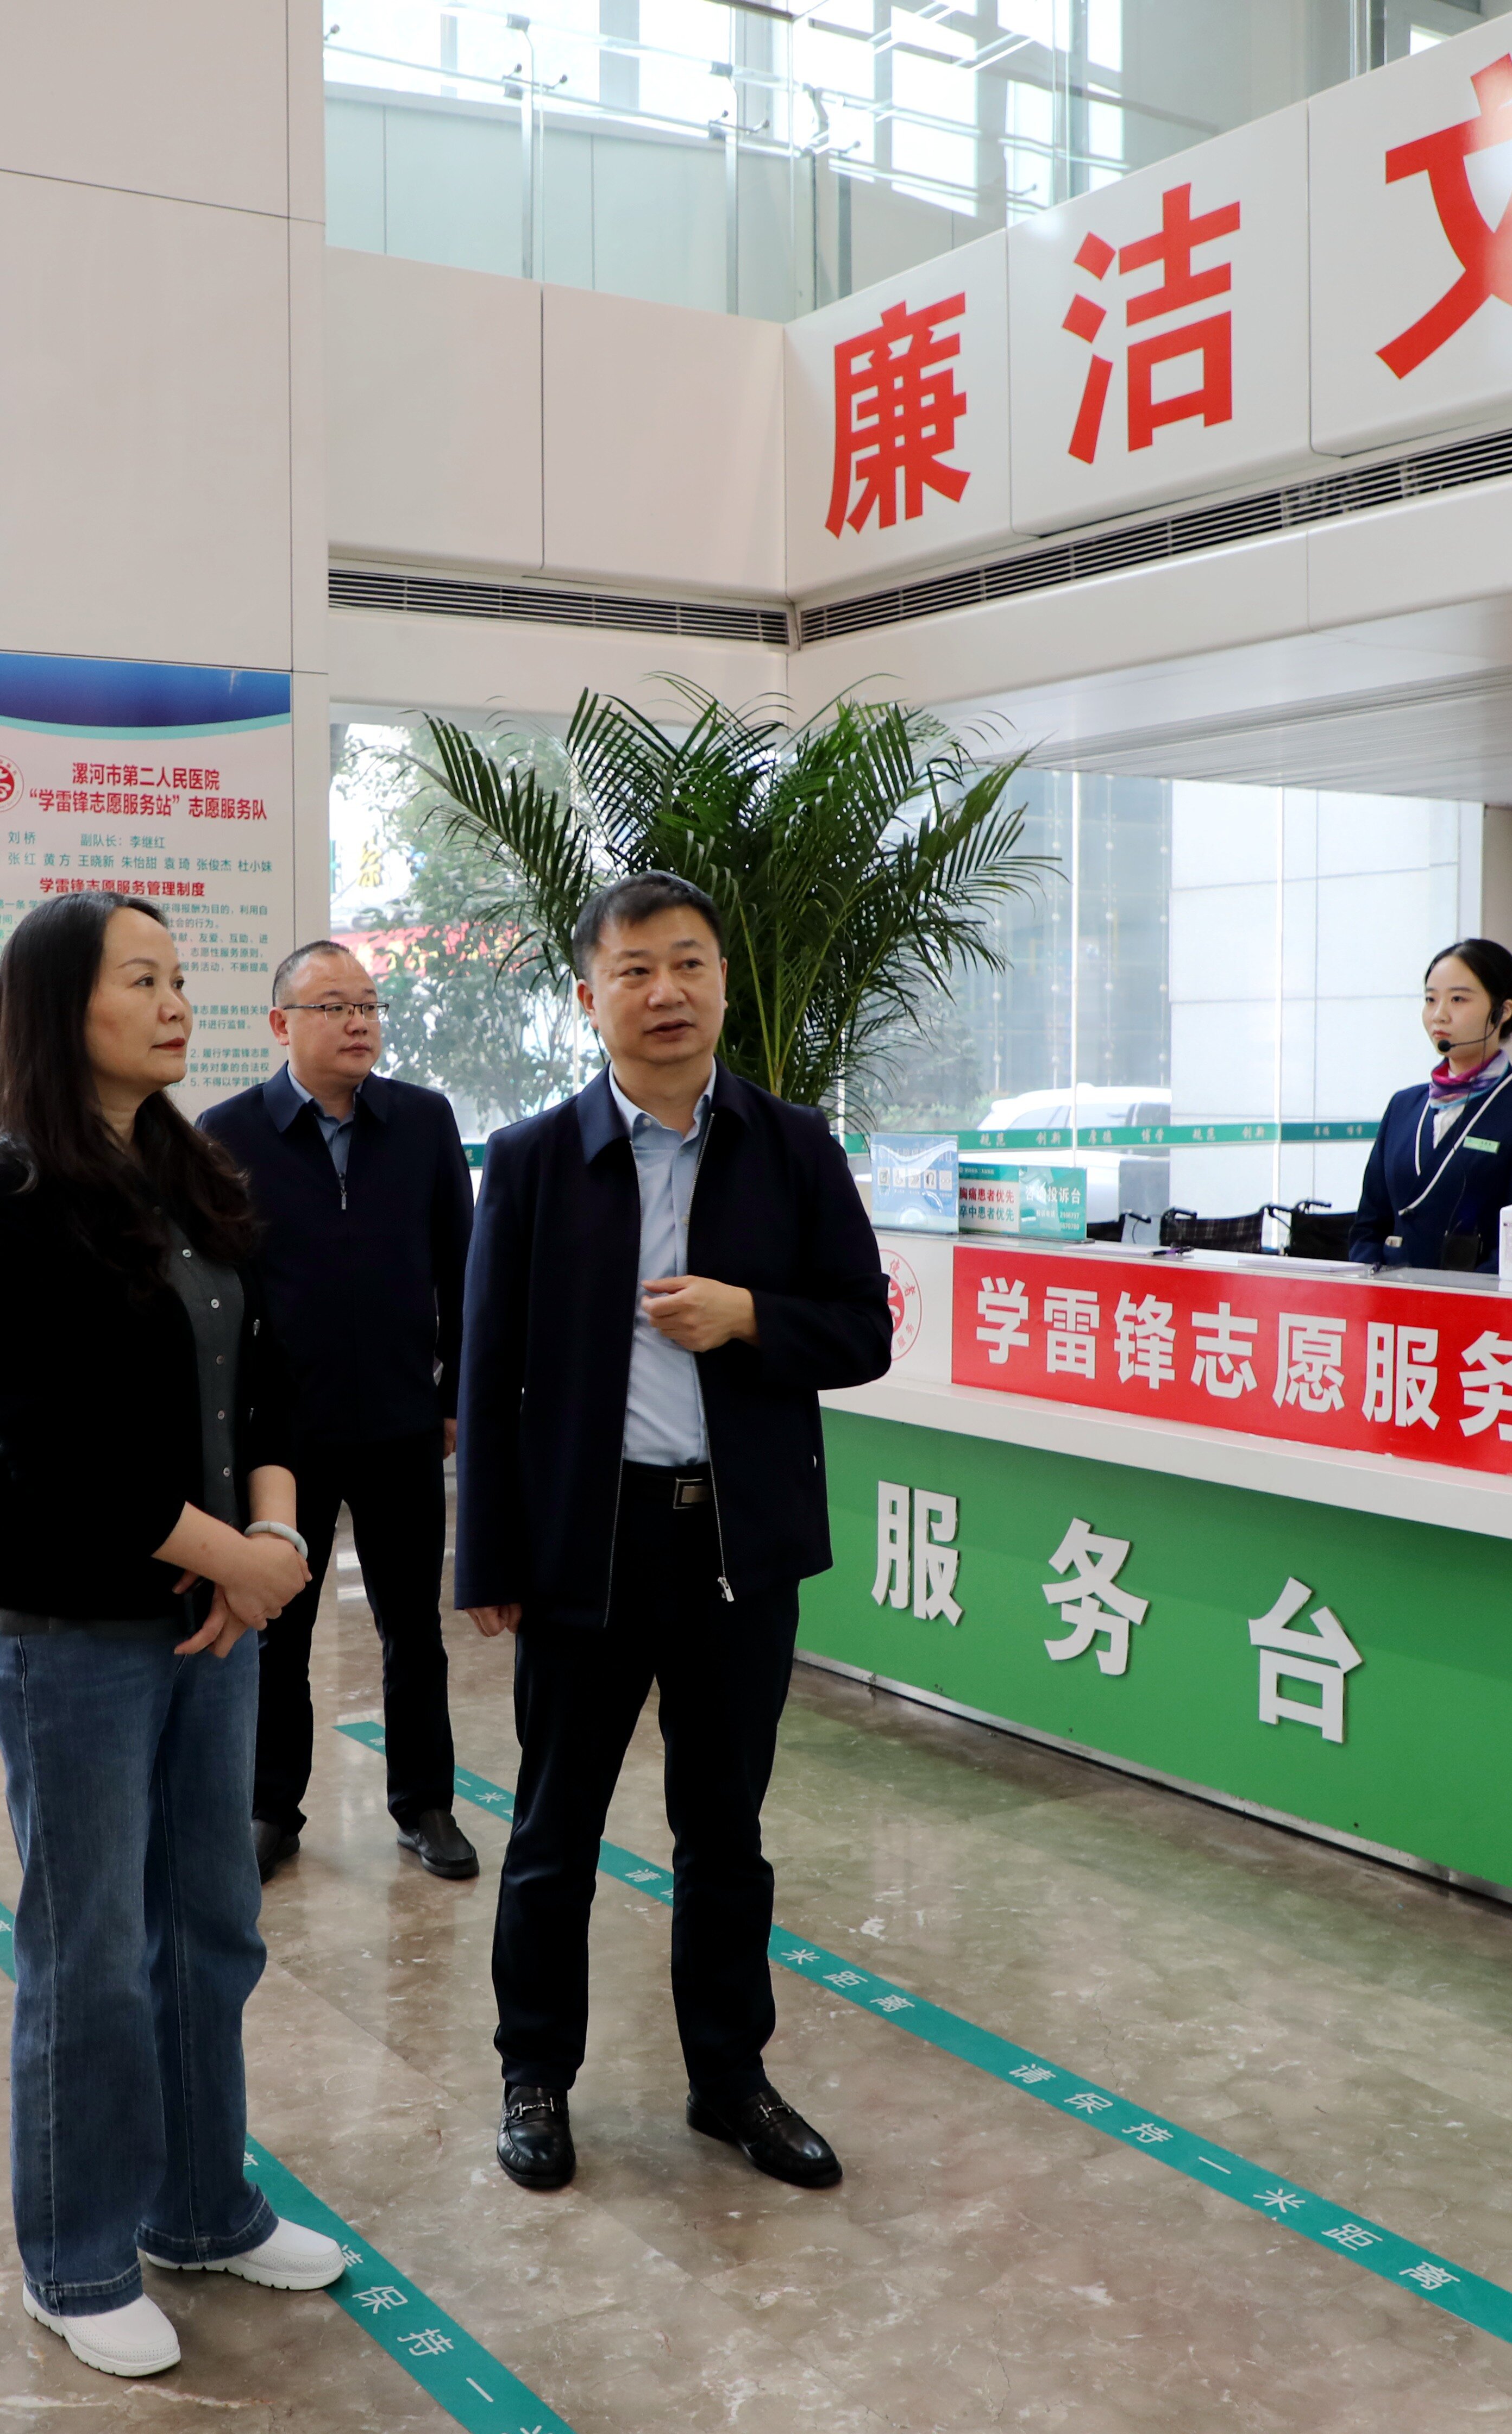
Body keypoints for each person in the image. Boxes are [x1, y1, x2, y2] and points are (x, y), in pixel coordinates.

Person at [0, 892, 349, 2379]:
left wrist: (275, 1544)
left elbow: (272, 1380)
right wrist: (235, 1558)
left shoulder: (194, 1169)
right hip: (79, 1633)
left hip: (217, 1612)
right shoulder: (3, 1197)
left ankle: (202, 2208)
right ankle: (78, 2254)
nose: (178, 1003)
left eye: (180, 979)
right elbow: (53, 1451)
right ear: (63, 1008)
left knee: (213, 1925)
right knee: (93, 1953)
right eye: (143, 980)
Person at [455, 873, 893, 2198]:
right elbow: (487, 1370)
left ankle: (730, 2078)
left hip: (735, 1549)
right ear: (589, 996)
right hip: (586, 1548)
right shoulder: (534, 1159)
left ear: (722, 983)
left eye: (689, 963)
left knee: (726, 1833)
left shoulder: (792, 1146)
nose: (665, 992)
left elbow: (862, 1331)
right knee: (554, 1831)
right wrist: (488, 1559)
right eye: (635, 969)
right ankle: (536, 2076)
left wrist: (748, 1315)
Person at [198, 940, 476, 1887]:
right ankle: (270, 1807)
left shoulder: (423, 1121)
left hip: (403, 1421)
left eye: (368, 1005)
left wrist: (453, 1396)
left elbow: (462, 1269)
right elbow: (218, 1291)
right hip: (286, 1436)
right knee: (279, 1624)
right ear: (282, 1024)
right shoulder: (228, 1134)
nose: (359, 1022)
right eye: (334, 1007)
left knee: (413, 1628)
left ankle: (425, 1803)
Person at [1344, 939, 1512, 1272]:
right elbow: (1368, 1226)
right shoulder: (1404, 1106)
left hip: (1475, 1298)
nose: (1439, 1015)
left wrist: (1460, 1296)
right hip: (1391, 1296)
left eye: (1458, 999)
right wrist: (1371, 1283)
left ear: (1503, 1011)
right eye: (1430, 999)